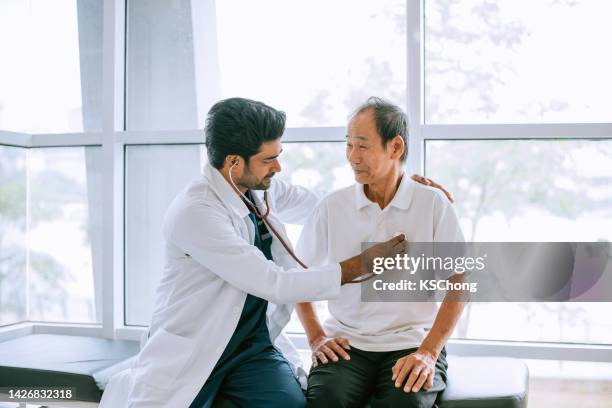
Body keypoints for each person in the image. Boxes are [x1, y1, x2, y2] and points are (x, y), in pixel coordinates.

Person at [99, 97, 406, 408]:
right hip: (196, 347)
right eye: (268, 159)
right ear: (234, 163)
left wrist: (393, 186)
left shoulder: (258, 189)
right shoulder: (196, 213)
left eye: (278, 156)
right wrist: (359, 266)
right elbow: (275, 283)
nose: (278, 167)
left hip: (250, 348)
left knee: (291, 406)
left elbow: (326, 207)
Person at [296, 97, 468, 408]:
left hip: (412, 340)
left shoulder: (432, 203)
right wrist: (316, 337)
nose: (352, 156)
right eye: (348, 145)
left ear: (396, 147)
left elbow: (459, 283)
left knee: (404, 404)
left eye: (362, 146)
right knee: (325, 402)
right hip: (347, 344)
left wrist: (428, 353)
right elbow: (299, 279)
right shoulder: (332, 207)